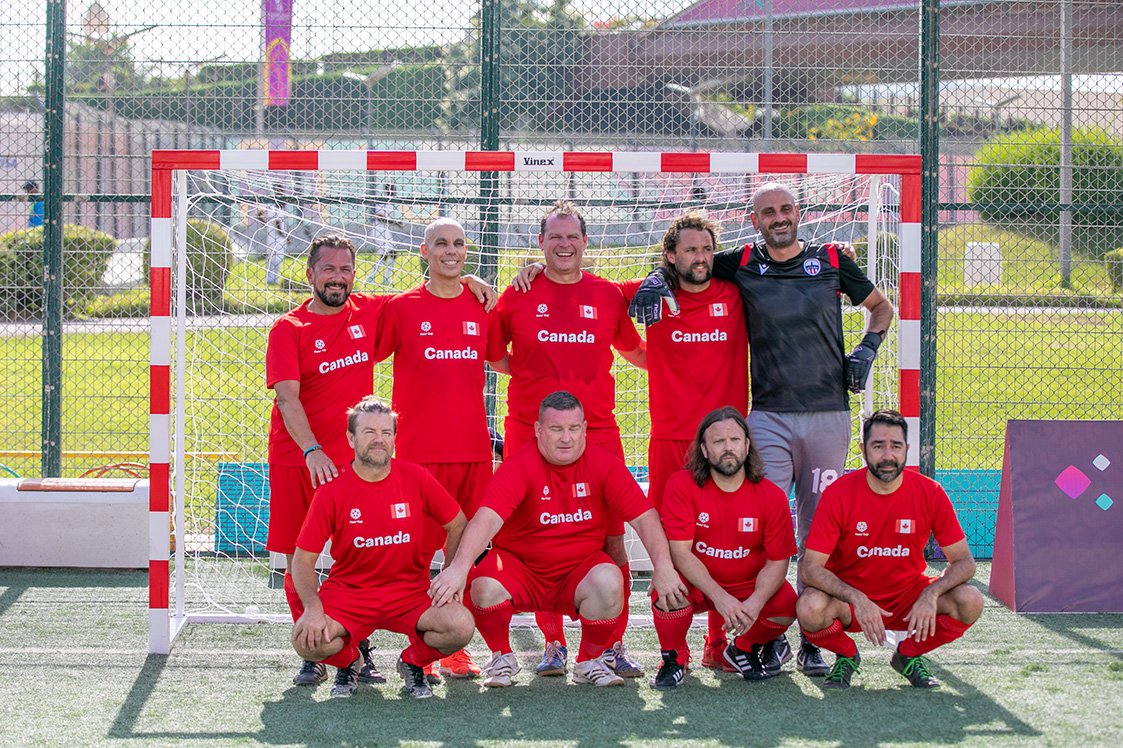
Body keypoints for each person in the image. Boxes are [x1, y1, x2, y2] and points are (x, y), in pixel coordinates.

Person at [629, 182, 894, 675]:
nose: (778, 217)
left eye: (785, 209)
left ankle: (817, 634)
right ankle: (750, 639)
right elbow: (690, 262)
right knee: (757, 533)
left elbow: (882, 308)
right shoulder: (743, 262)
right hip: (766, 418)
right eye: (767, 211)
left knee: (820, 532)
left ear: (799, 213)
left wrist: (866, 350)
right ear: (755, 221)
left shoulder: (833, 259)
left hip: (828, 415)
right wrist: (652, 278)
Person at [265, 234, 493, 688]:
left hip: (359, 464)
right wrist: (311, 450)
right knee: (297, 554)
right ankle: (316, 649)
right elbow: (288, 400)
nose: (337, 277)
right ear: (309, 274)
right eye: (328, 269)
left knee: (363, 552)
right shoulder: (289, 328)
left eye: (345, 269)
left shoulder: (372, 311)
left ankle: (362, 644)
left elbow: (434, 288)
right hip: (301, 458)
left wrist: (465, 277)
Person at [429, 392, 688, 688]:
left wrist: (664, 567)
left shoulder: (604, 464)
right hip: (523, 571)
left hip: (577, 572)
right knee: (483, 584)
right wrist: (459, 568)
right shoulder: (520, 466)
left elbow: (645, 518)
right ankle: (502, 656)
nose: (566, 438)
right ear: (538, 430)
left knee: (610, 578)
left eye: (574, 429)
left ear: (585, 429)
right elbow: (486, 519)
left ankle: (589, 661)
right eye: (556, 429)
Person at [490, 200, 647, 678]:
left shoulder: (608, 296)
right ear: (540, 243)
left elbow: (636, 349)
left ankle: (609, 645)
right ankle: (554, 645)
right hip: (529, 435)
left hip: (597, 433)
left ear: (585, 242)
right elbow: (497, 359)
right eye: (554, 237)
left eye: (571, 236)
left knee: (613, 541)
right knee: (539, 542)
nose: (563, 244)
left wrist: (689, 370)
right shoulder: (515, 295)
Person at [372, 217, 507, 679]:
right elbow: (363, 355)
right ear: (424, 253)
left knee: (462, 554)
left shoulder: (481, 304)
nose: (451, 250)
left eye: (459, 244)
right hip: (415, 455)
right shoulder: (402, 307)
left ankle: (452, 647)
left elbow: (505, 359)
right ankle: (419, 639)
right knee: (413, 554)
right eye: (441, 244)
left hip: (472, 451)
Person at [290, 396, 475, 699]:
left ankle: (412, 663)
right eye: (369, 433)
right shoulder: (333, 489)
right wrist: (312, 608)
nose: (379, 441)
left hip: (410, 592)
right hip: (350, 592)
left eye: (386, 433)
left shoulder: (415, 477)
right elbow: (302, 560)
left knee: (460, 626)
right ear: (351, 438)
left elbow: (458, 523)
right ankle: (350, 661)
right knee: (305, 639)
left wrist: (452, 574)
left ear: (394, 439)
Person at [796, 409, 984, 689]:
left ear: (906, 449)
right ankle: (846, 656)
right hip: (851, 604)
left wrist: (932, 593)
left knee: (970, 600)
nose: (887, 455)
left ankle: (907, 655)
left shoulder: (930, 492)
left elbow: (965, 563)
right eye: (878, 446)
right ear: (863, 450)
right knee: (809, 608)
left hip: (907, 598)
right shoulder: (839, 493)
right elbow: (809, 568)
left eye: (895, 446)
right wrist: (856, 597)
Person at [651, 407, 798, 688]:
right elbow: (680, 553)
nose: (727, 448)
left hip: (746, 583)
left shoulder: (771, 495)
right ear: (704, 450)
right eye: (718, 442)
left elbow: (778, 562)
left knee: (787, 605)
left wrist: (755, 603)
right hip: (697, 583)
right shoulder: (682, 485)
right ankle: (675, 657)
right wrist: (719, 597)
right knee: (667, 588)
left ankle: (741, 648)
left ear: (746, 445)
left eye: (734, 440)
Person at [366, 184, 402, 286]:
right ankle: (371, 277)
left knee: (392, 254)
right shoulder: (382, 201)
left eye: (394, 190)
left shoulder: (390, 202)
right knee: (384, 255)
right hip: (378, 230)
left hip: (385, 230)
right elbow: (379, 217)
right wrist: (395, 223)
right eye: (391, 190)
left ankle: (385, 278)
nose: (393, 192)